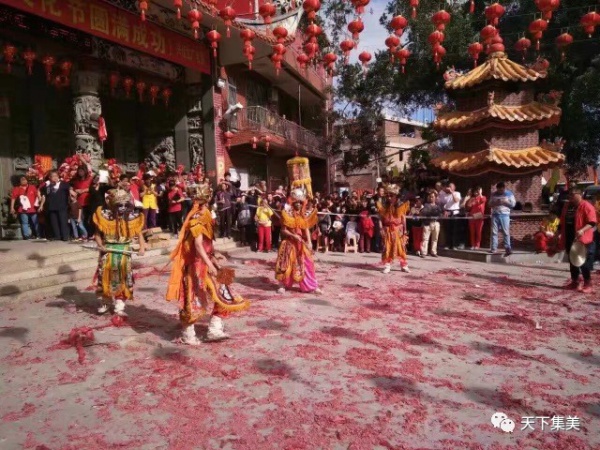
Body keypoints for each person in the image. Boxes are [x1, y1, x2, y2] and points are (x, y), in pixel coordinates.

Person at [166, 183, 249, 344]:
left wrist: (215, 254)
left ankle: (215, 328)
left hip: (208, 260)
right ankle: (188, 334)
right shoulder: (197, 217)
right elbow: (197, 245)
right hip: (198, 265)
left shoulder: (205, 215)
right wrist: (209, 265)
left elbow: (206, 243)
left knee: (226, 290)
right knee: (192, 298)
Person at [93, 189, 146, 316]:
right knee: (105, 277)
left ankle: (119, 305)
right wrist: (100, 245)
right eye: (119, 205)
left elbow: (139, 234)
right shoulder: (104, 216)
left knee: (124, 278)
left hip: (124, 252)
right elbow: (97, 234)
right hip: (108, 252)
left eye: (125, 205)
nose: (122, 208)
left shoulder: (132, 217)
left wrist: (142, 247)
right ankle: (105, 302)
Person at [274, 188, 322, 294]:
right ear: (292, 202)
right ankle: (283, 285)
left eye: (301, 202)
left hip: (301, 243)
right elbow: (283, 230)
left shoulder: (302, 214)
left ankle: (311, 286)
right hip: (289, 242)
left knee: (308, 263)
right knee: (286, 265)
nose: (299, 205)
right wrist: (293, 235)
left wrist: (309, 242)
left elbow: (306, 229)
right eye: (297, 202)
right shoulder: (286, 214)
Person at [559, 188, 597, 293]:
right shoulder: (567, 206)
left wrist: (582, 230)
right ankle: (574, 281)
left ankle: (587, 283)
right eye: (569, 195)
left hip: (583, 239)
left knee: (584, 262)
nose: (570, 197)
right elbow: (562, 221)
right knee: (572, 260)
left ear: (579, 194)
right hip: (569, 237)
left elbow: (592, 222)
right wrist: (558, 234)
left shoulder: (587, 206)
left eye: (572, 195)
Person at [378, 184, 410, 274]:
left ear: (396, 196)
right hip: (387, 230)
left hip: (398, 230)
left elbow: (403, 218)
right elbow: (380, 219)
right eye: (387, 195)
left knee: (401, 248)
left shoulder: (401, 206)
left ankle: (404, 265)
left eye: (391, 195)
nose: (389, 197)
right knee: (387, 248)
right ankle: (387, 266)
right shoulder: (383, 206)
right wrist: (381, 228)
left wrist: (405, 230)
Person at [488, 182, 516, 256]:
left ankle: (508, 248)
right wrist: (496, 203)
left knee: (506, 232)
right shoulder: (493, 194)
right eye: (499, 189)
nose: (500, 191)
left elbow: (513, 205)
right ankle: (493, 248)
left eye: (501, 189)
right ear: (497, 189)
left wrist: (505, 202)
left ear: (504, 188)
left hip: (505, 215)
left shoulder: (509, 194)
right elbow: (489, 204)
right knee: (494, 232)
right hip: (495, 215)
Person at [42, 171, 71, 241]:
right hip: (52, 206)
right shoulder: (48, 186)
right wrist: (41, 205)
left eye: (56, 176)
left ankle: (65, 236)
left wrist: (72, 192)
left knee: (63, 221)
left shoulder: (63, 184)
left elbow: (70, 189)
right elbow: (45, 196)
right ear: (50, 177)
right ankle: (57, 236)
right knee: (54, 222)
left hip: (62, 206)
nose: (55, 177)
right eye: (53, 176)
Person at [10, 176, 40, 240]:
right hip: (23, 209)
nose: (24, 181)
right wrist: (12, 207)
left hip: (33, 209)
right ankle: (26, 236)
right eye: (22, 180)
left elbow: (38, 196)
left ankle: (38, 234)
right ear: (19, 181)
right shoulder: (17, 189)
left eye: (25, 179)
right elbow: (13, 198)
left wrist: (40, 204)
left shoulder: (32, 187)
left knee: (35, 222)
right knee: (24, 223)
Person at [438, 182, 462, 250]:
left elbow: (456, 200)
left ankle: (454, 245)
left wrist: (452, 193)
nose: (449, 188)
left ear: (454, 188)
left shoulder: (457, 193)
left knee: (455, 230)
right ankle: (448, 244)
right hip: (447, 213)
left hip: (455, 213)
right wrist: (444, 210)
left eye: (451, 187)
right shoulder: (444, 195)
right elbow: (441, 204)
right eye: (448, 186)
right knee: (448, 230)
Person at [71, 166, 93, 236]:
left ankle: (90, 234)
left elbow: (92, 188)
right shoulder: (77, 181)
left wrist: (83, 190)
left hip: (88, 201)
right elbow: (74, 189)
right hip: (80, 203)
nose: (80, 173)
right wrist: (76, 191)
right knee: (81, 219)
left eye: (82, 171)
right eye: (79, 171)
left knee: (88, 219)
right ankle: (83, 234)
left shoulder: (89, 179)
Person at [420, 191, 442, 257]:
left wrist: (432, 212)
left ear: (435, 198)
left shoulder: (438, 206)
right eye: (430, 197)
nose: (431, 198)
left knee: (435, 239)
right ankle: (424, 252)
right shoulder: (426, 205)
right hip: (428, 223)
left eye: (432, 197)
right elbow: (424, 212)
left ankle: (433, 252)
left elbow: (439, 213)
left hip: (436, 222)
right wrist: (432, 211)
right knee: (425, 238)